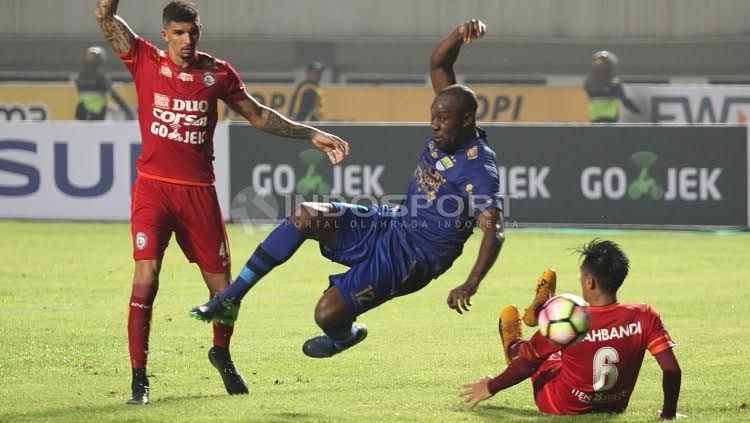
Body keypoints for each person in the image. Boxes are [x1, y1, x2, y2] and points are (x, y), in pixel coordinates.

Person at [189, 19, 504, 359]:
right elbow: (439, 64)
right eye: (434, 115)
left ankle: (344, 336)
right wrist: (459, 34)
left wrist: (470, 284)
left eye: (442, 118)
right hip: (393, 223)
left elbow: (495, 231)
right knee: (306, 214)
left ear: (467, 119)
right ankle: (231, 297)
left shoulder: (479, 167)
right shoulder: (449, 126)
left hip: (412, 259)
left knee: (327, 314)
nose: (434, 124)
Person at [94, 0, 349, 405]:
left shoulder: (217, 73)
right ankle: (139, 379)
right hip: (154, 189)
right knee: (147, 277)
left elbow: (259, 116)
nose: (187, 40)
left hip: (199, 193)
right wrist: (106, 9)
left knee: (224, 288)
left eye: (192, 32)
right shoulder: (143, 59)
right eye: (178, 32)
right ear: (165, 34)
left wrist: (309, 134)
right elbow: (107, 23)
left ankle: (222, 353)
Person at [459, 239, 683, 419]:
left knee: (531, 354)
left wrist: (491, 386)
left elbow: (527, 365)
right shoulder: (645, 315)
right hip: (615, 405)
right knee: (561, 347)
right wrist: (668, 414)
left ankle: (518, 337)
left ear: (589, 283)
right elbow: (672, 370)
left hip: (560, 404)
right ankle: (543, 311)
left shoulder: (573, 321)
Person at [74, 45, 134, 120]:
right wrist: (127, 110)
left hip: (82, 112)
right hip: (98, 112)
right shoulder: (101, 77)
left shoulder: (80, 77)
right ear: (101, 60)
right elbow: (114, 95)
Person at [584, 51, 640, 123]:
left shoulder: (589, 79)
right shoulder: (613, 78)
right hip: (610, 115)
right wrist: (634, 110)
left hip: (595, 115)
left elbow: (587, 90)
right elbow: (622, 97)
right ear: (610, 65)